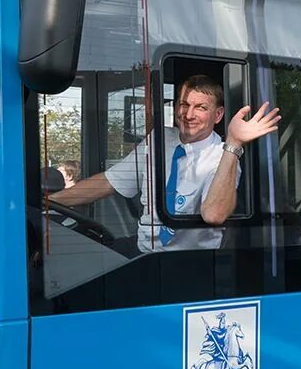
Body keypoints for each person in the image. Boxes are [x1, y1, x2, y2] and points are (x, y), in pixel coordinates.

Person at [50, 75, 282, 252]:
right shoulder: (159, 140)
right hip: (143, 251)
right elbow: (109, 182)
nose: (189, 114)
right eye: (184, 104)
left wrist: (234, 142)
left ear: (218, 115)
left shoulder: (223, 156)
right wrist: (51, 202)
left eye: (200, 107)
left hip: (188, 262)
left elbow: (214, 215)